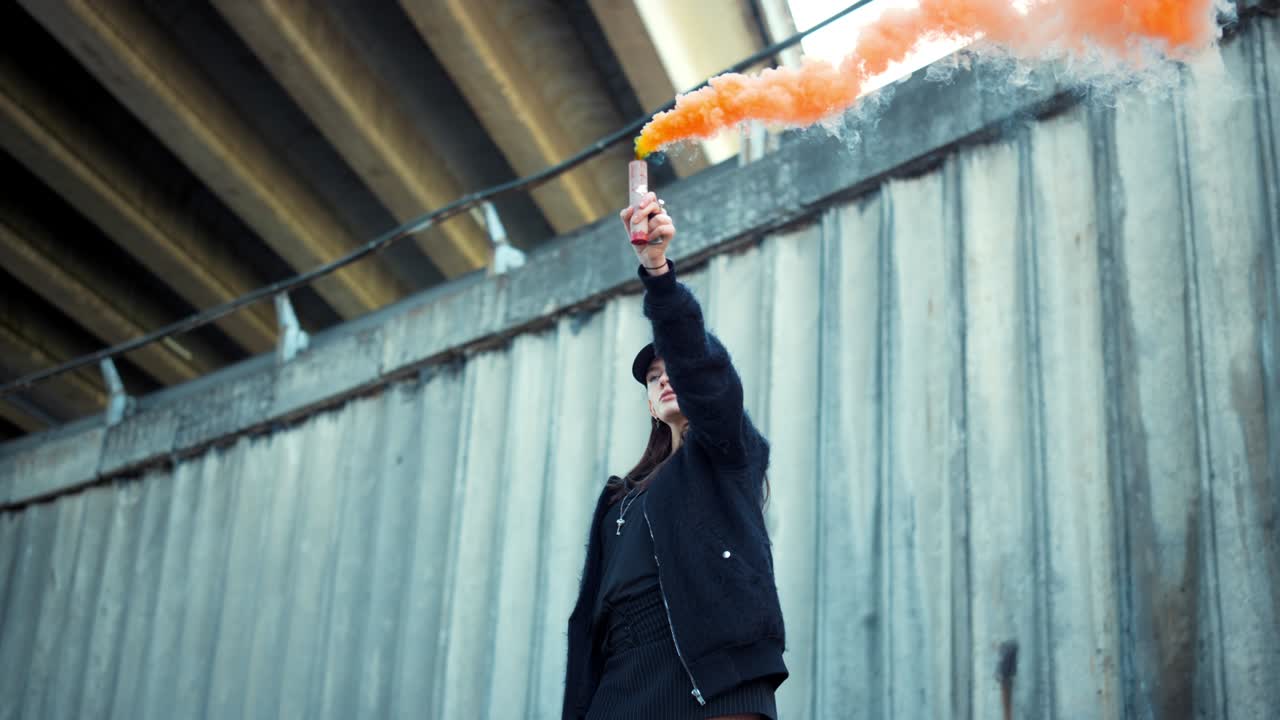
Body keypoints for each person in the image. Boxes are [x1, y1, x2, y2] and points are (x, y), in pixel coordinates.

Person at [561, 192, 787, 719]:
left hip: (708, 679)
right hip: (621, 685)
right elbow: (592, 624)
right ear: (648, 403)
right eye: (654, 379)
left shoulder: (728, 457)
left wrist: (657, 270)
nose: (666, 380)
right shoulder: (619, 499)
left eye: (674, 371)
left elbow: (699, 365)